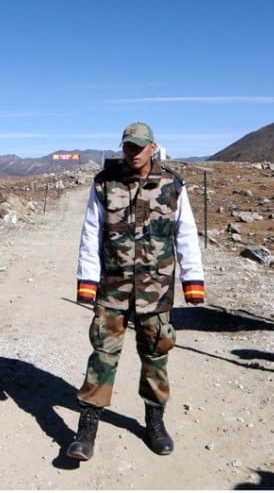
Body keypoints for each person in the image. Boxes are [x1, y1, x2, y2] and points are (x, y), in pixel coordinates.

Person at [67, 122, 205, 460]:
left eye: (139, 146)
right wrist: (87, 281)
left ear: (153, 148)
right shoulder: (105, 183)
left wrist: (193, 282)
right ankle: (87, 429)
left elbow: (185, 233)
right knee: (102, 355)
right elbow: (91, 233)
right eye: (128, 145)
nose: (133, 152)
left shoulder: (173, 185)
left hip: (155, 290)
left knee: (156, 355)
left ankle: (154, 423)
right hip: (113, 287)